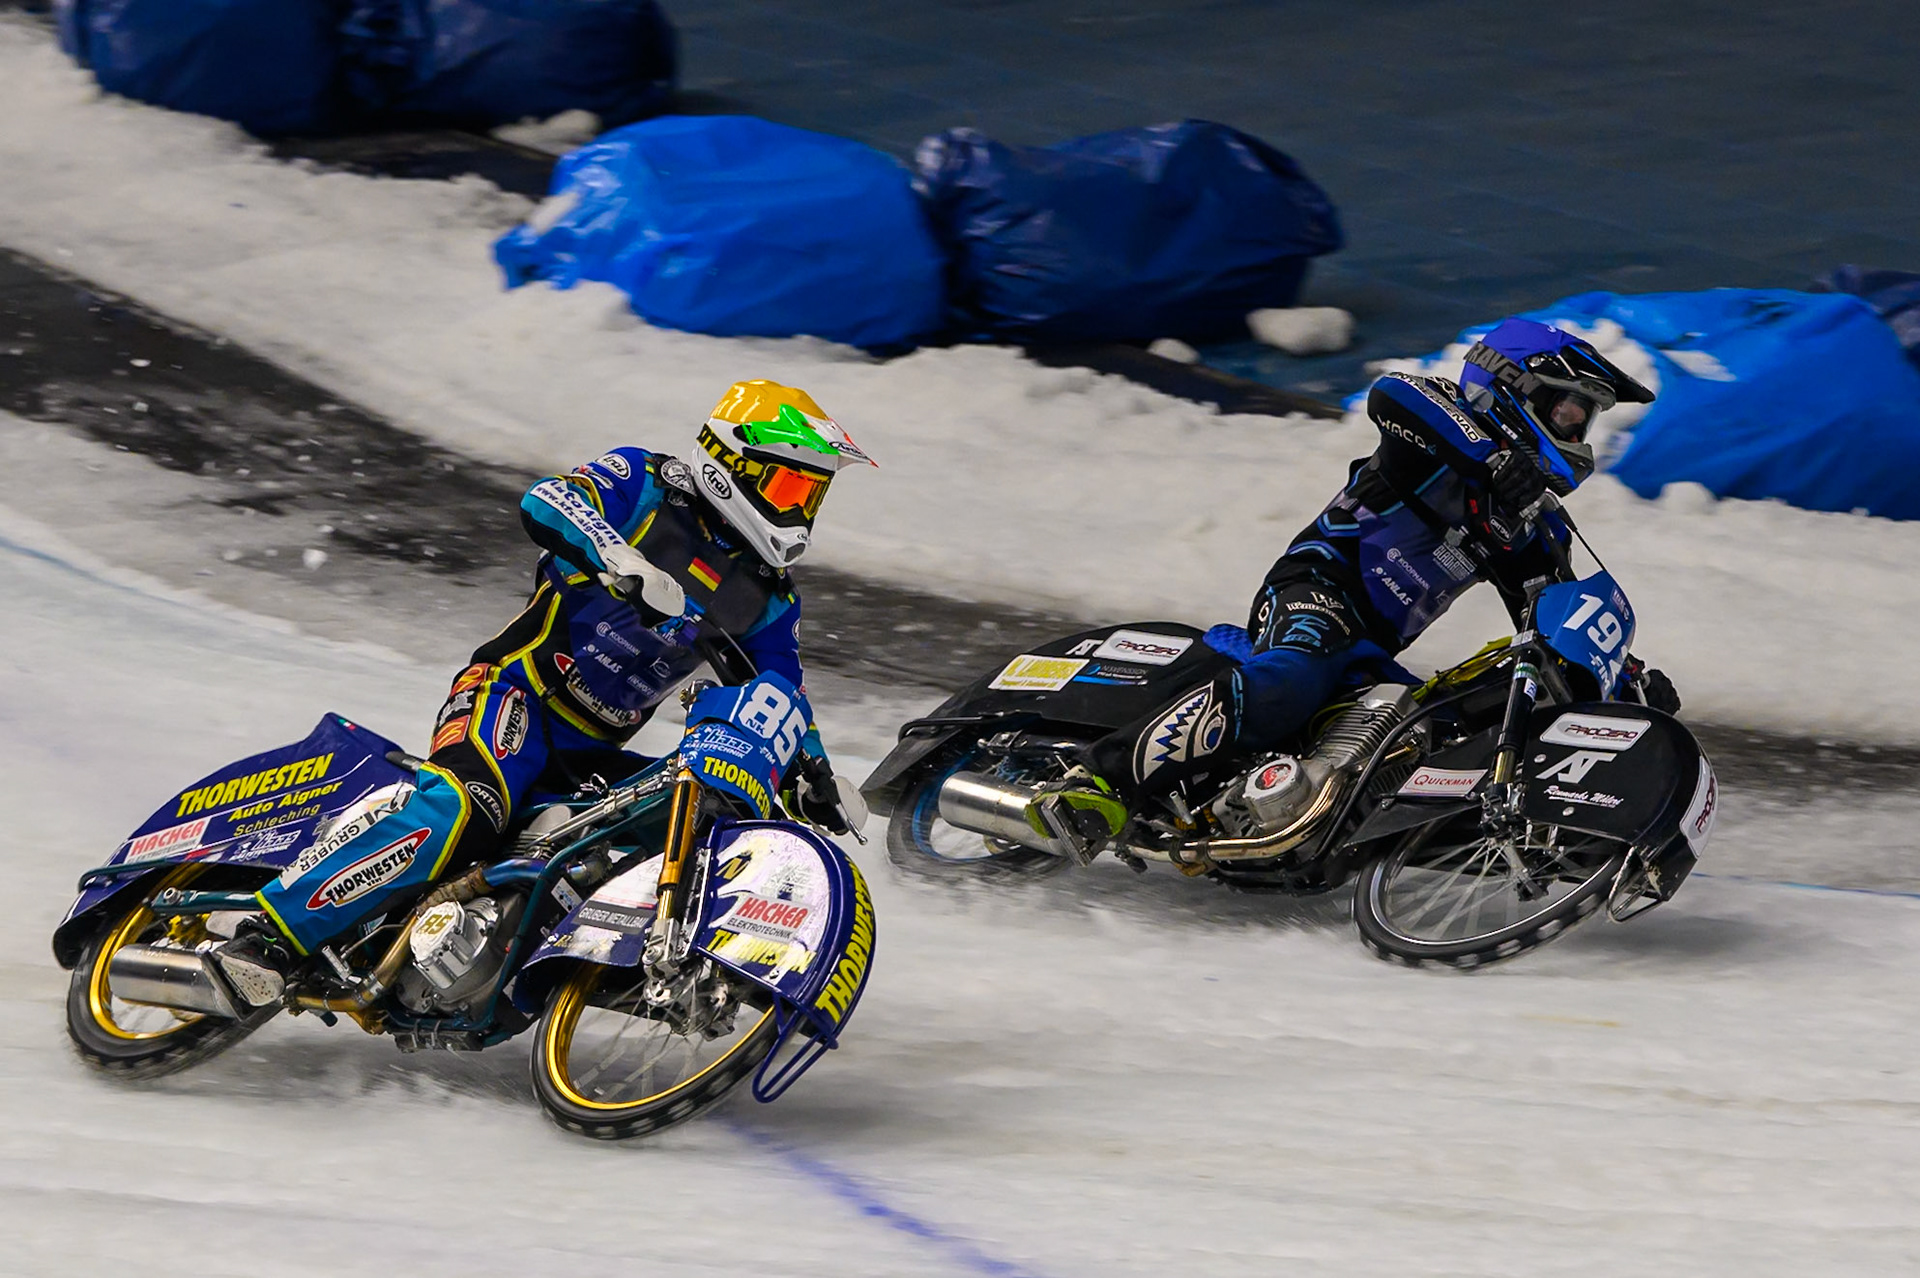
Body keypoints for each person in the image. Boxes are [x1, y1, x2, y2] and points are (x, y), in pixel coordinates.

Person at [212, 381, 875, 1007]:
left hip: (590, 749)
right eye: (789, 485)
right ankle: (270, 936)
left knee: (687, 814)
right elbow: (549, 498)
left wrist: (813, 772)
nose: (799, 508)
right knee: (468, 807)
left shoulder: (768, 599)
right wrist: (621, 558)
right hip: (512, 694)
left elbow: (780, 688)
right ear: (731, 461)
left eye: (810, 494)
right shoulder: (645, 481)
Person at [1029, 319, 1679, 857]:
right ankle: (1103, 781)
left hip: (1369, 650)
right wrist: (1491, 458)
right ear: (1512, 385)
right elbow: (1393, 393)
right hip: (1317, 588)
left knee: (1436, 722)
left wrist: (1624, 682)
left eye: (1584, 419)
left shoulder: (1530, 524)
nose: (1575, 431)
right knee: (1296, 672)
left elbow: (1553, 615)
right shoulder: (1439, 425)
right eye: (1568, 409)